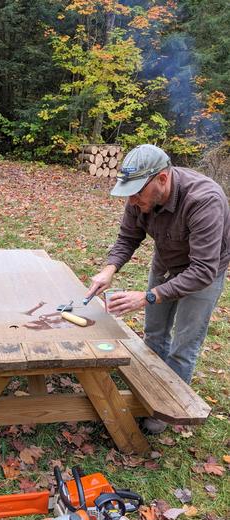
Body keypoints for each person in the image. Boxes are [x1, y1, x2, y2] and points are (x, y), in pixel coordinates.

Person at [85, 144, 229, 433]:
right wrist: (109, 270)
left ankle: (168, 408)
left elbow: (202, 270)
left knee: (183, 346)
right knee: (154, 333)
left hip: (203, 274)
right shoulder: (138, 198)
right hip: (165, 263)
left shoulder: (205, 200)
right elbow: (128, 237)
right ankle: (147, 393)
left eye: (138, 192)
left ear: (162, 179)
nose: (133, 199)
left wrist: (148, 296)